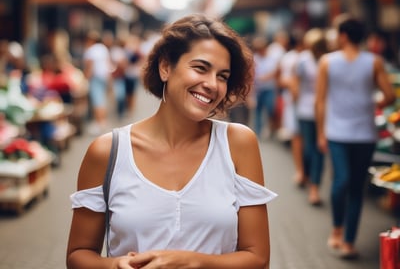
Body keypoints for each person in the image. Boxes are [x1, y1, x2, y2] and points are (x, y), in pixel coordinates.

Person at [66, 14, 277, 269]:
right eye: (200, 68)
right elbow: (78, 254)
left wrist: (192, 261)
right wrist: (115, 266)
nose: (212, 84)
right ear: (165, 67)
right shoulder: (108, 151)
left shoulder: (238, 143)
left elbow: (258, 258)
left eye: (222, 76)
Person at [315, 17, 396, 259]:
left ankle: (346, 238)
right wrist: (372, 104)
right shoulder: (374, 62)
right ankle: (339, 231)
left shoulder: (327, 62)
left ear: (343, 36)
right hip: (352, 133)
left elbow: (320, 101)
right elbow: (390, 96)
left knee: (345, 183)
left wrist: (320, 132)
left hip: (350, 133)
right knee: (350, 184)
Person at [294, 28, 328, 206]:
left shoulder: (328, 59)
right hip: (306, 110)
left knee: (319, 150)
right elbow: (296, 83)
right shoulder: (302, 60)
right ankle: (305, 174)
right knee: (309, 150)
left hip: (324, 111)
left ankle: (314, 187)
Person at [277, 32, 305, 187]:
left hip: (295, 101)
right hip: (296, 102)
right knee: (299, 137)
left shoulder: (288, 57)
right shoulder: (298, 58)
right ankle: (302, 171)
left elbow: (281, 79)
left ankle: (301, 171)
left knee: (297, 137)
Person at [83, 30, 111, 135]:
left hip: (95, 77)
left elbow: (89, 66)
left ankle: (100, 123)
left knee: (97, 101)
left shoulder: (91, 50)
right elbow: (108, 63)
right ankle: (103, 121)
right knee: (102, 100)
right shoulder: (103, 48)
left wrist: (85, 78)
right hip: (104, 76)